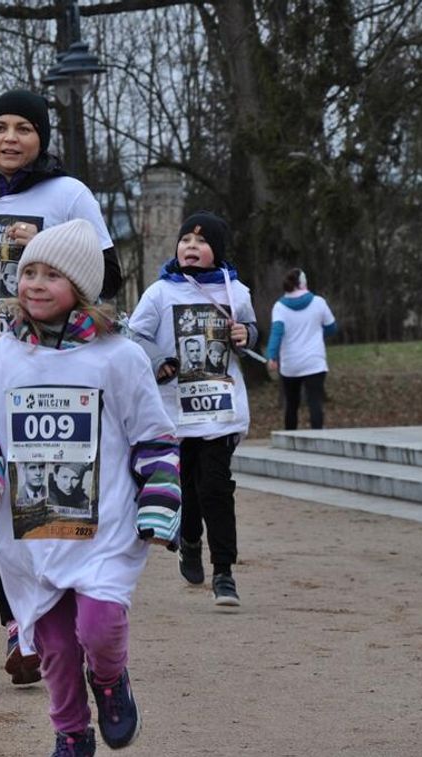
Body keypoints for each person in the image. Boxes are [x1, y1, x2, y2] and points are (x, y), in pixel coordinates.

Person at [0, 88, 122, 686]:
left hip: (55, 366)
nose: (10, 138)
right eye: (0, 128)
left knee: (58, 495)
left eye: (24, 129)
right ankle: (19, 627)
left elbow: (108, 273)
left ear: (42, 138)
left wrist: (48, 266)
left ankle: (70, 618)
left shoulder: (67, 195)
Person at [0, 219, 180, 756]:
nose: (33, 283)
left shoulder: (117, 357)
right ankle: (71, 733)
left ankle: (109, 681)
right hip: (33, 532)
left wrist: (158, 505)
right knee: (55, 646)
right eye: (28, 271)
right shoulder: (0, 357)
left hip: (103, 526)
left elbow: (155, 439)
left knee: (100, 628)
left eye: (50, 274)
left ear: (80, 288)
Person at [127, 211, 257, 607]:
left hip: (220, 408)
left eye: (201, 242)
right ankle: (188, 538)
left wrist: (245, 333)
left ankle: (224, 572)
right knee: (187, 487)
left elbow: (250, 331)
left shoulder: (237, 292)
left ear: (215, 251)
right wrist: (157, 361)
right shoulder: (160, 293)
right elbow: (135, 334)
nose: (191, 247)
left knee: (215, 487)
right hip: (175, 411)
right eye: (186, 240)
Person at [266, 268, 337, 431]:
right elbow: (332, 327)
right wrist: (317, 334)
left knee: (291, 404)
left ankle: (290, 438)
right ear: (304, 283)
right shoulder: (319, 302)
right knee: (315, 402)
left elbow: (277, 333)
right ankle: (317, 437)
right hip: (314, 361)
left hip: (291, 364)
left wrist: (272, 356)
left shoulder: (279, 307)